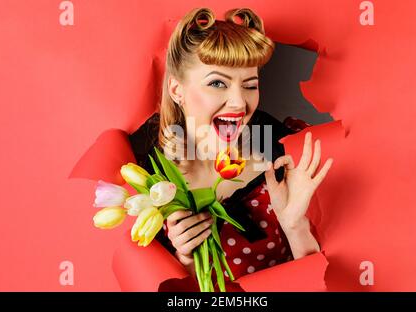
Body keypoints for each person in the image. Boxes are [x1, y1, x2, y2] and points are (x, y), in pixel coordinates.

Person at [129, 7, 333, 285]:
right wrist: (185, 259)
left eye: (250, 85)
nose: (239, 102)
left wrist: (295, 225)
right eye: (217, 83)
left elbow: (327, 281)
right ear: (177, 91)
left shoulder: (286, 152)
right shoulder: (150, 184)